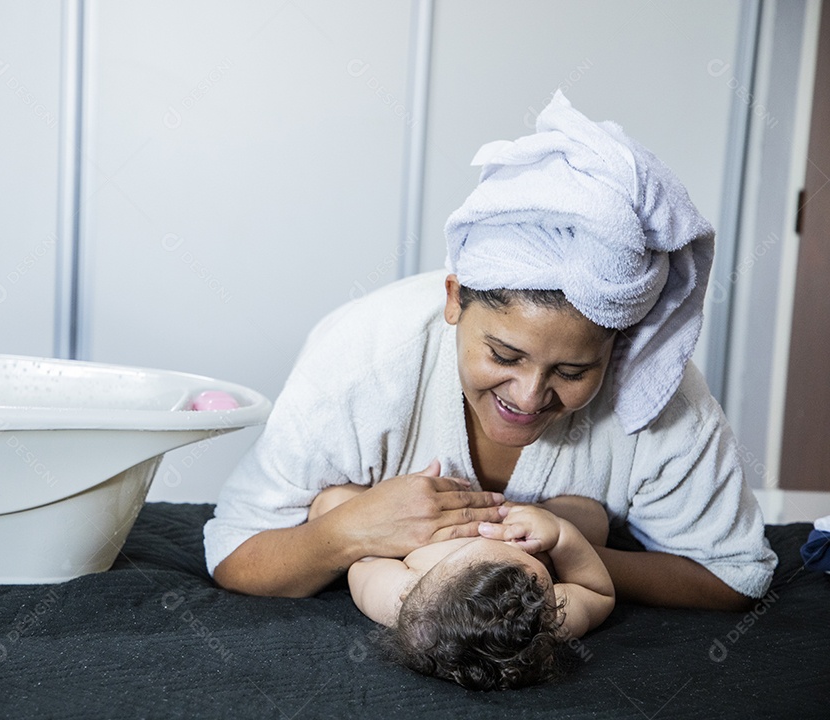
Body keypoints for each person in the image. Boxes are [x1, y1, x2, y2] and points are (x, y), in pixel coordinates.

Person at [204, 90, 777, 610]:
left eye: (574, 370)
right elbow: (236, 554)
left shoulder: (660, 396)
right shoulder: (363, 361)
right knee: (335, 504)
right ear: (454, 299)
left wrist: (558, 548)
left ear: (620, 345)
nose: (529, 396)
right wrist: (347, 532)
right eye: (504, 356)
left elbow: (732, 577)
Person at [309, 486, 615, 690]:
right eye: (521, 554)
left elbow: (361, 561)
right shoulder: (547, 619)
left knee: (332, 503)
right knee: (593, 517)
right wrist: (560, 535)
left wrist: (379, 531)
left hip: (419, 525)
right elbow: (598, 593)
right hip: (514, 512)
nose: (490, 536)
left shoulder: (402, 594)